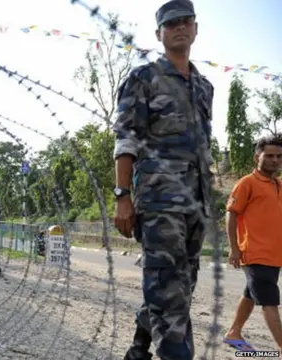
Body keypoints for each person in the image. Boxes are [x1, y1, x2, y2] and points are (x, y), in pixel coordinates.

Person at [112, 1, 214, 359]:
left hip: (196, 204)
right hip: (159, 203)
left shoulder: (204, 87)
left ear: (196, 29)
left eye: (186, 22)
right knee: (169, 294)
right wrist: (122, 195)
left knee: (178, 288)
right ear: (159, 34)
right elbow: (126, 138)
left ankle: (139, 350)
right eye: (171, 24)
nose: (180, 28)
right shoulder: (144, 78)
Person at [223, 135, 282, 352]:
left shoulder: (278, 185)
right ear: (257, 156)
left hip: (274, 255)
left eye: (278, 156)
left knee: (251, 293)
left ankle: (233, 333)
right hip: (254, 253)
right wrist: (234, 248)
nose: (275, 160)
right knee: (269, 301)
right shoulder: (247, 183)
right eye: (269, 156)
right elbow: (231, 214)